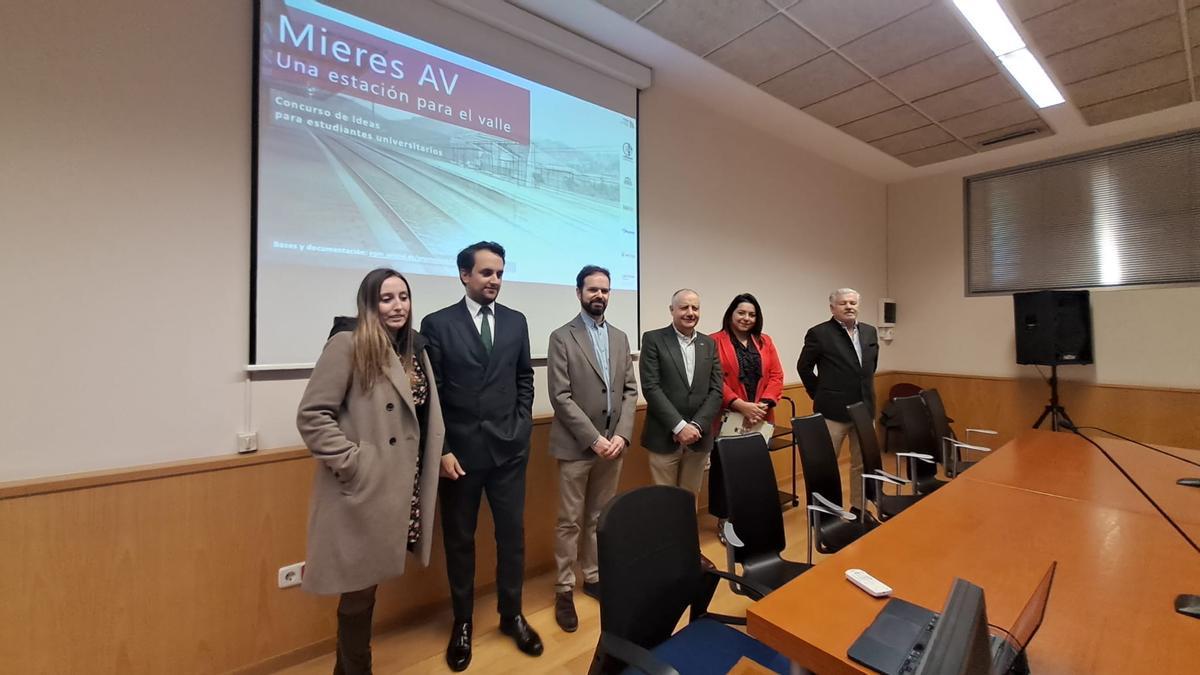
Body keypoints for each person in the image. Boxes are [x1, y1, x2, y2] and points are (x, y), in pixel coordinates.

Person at [296, 268, 445, 675]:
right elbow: (312, 415)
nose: (397, 306)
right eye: (386, 298)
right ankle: (356, 669)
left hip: (400, 485)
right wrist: (355, 463)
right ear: (369, 303)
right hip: (365, 488)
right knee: (358, 591)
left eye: (403, 297)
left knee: (367, 586)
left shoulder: (413, 349)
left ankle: (346, 669)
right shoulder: (348, 343)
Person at [419, 241, 541, 671]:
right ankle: (463, 622)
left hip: (509, 450)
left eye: (500, 273)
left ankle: (512, 615)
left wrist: (522, 424)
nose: (495, 280)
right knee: (460, 541)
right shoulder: (437, 324)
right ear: (464, 275)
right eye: (487, 272)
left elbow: (524, 378)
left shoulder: (515, 321)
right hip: (460, 456)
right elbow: (430, 394)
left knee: (512, 538)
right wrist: (442, 450)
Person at [546, 265, 638, 633]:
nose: (599, 295)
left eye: (605, 290)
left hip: (613, 446)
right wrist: (594, 438)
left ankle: (594, 575)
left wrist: (621, 436)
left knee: (600, 517)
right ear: (579, 292)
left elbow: (630, 391)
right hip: (577, 447)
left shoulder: (620, 337)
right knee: (569, 520)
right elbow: (560, 396)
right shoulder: (561, 337)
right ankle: (564, 587)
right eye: (592, 289)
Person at [796, 288, 879, 516]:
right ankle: (825, 513)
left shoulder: (870, 332)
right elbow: (804, 367)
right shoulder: (819, 333)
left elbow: (869, 368)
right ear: (832, 308)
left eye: (853, 302)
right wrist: (819, 393)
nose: (849, 306)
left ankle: (859, 508)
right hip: (832, 412)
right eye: (843, 303)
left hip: (864, 409)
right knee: (825, 465)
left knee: (863, 463)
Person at [639, 289, 724, 497]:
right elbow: (651, 387)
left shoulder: (709, 343)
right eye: (684, 307)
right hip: (664, 436)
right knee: (665, 500)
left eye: (695, 308)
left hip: (699, 437)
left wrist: (696, 426)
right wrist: (679, 426)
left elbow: (716, 389)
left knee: (690, 497)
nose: (690, 312)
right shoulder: (653, 339)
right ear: (672, 310)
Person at [709, 293, 784, 521]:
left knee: (754, 470)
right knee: (725, 471)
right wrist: (740, 405)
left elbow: (776, 375)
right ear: (731, 314)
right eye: (741, 312)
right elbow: (713, 379)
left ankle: (750, 518)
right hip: (728, 415)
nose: (746, 318)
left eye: (752, 314)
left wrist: (762, 405)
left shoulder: (765, 341)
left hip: (760, 416)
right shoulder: (714, 341)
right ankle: (725, 520)